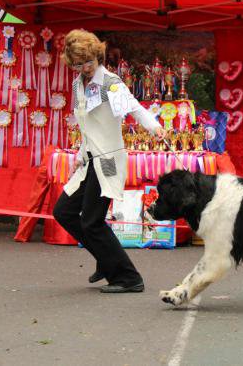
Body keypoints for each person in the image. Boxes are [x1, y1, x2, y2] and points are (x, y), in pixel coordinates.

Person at [53, 30, 165, 293]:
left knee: (92, 221)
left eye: (89, 62)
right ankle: (105, 260)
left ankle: (128, 278)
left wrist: (155, 127)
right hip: (90, 159)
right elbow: (87, 126)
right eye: (79, 65)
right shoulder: (77, 84)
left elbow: (135, 108)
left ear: (97, 57)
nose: (85, 69)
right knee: (64, 212)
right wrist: (79, 157)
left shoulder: (110, 82)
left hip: (109, 161)